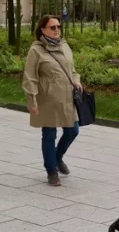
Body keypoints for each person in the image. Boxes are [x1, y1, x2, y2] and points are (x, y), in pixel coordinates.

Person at [23, 15, 83, 186]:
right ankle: (52, 171)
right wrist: (32, 100)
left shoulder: (64, 45)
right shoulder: (36, 50)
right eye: (52, 27)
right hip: (47, 98)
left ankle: (57, 157)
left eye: (58, 26)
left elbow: (71, 69)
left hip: (67, 97)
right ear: (43, 30)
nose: (57, 30)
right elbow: (30, 77)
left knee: (73, 131)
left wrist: (76, 79)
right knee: (49, 134)